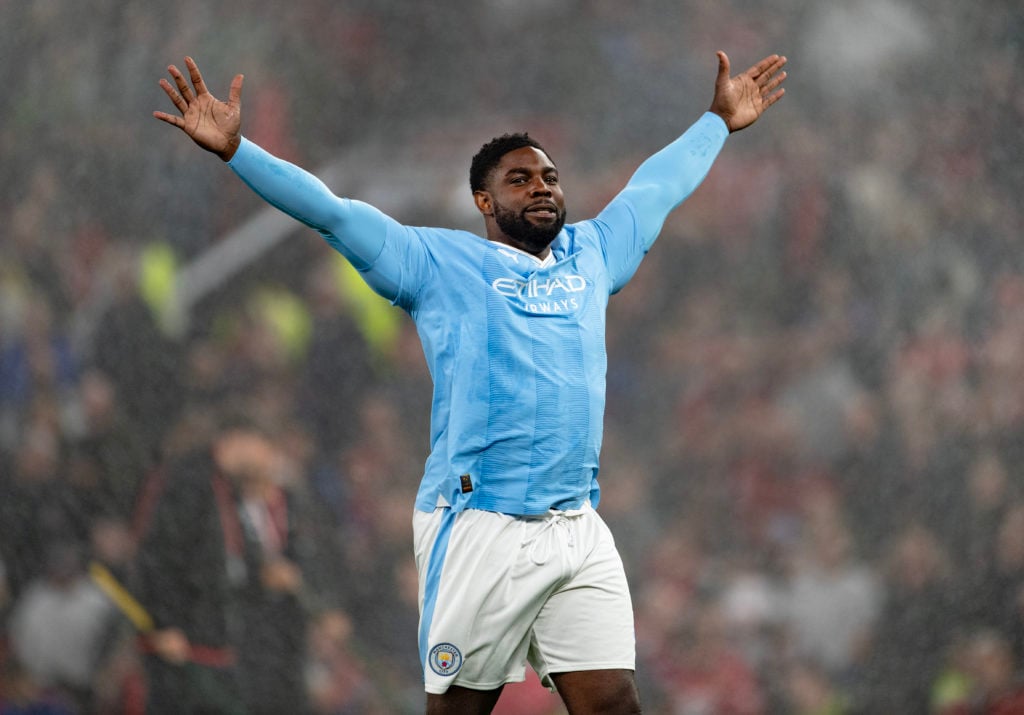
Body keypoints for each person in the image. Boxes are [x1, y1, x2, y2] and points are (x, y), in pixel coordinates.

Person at [153, 47, 786, 714]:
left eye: (550, 176)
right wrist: (237, 150)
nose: (542, 186)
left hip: (575, 522)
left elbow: (656, 187)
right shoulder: (437, 263)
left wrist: (717, 120)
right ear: (484, 200)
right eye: (521, 179)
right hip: (481, 523)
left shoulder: (593, 254)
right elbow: (332, 213)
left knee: (614, 703)